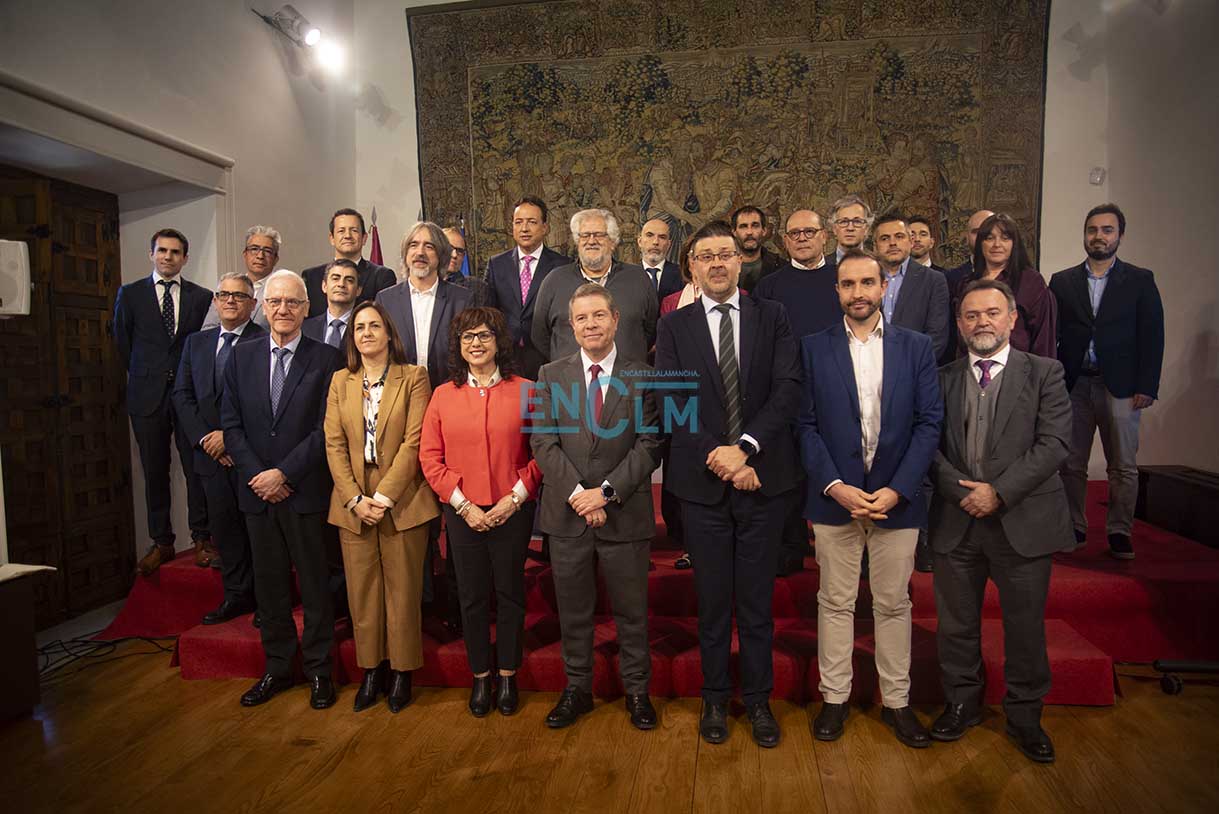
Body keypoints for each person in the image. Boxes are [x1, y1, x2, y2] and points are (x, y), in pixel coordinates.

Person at [655, 220, 802, 748]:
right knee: (713, 602)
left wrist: (745, 449)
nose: (717, 263)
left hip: (763, 479)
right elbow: (671, 399)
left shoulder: (774, 316)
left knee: (757, 603)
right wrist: (718, 456)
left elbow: (788, 389)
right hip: (702, 488)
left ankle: (759, 702)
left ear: (741, 260)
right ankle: (715, 698)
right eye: (705, 256)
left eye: (726, 254)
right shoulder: (674, 325)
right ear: (692, 267)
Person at [798, 249, 942, 749]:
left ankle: (897, 704)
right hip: (834, 497)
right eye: (847, 284)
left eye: (867, 283)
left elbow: (929, 423)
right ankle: (834, 698)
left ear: (883, 287)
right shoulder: (813, 348)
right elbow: (806, 426)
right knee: (834, 603)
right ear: (836, 291)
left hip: (895, 500)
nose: (857, 293)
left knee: (893, 604)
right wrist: (834, 486)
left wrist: (898, 488)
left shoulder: (917, 347)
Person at [928, 279, 1073, 764]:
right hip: (957, 520)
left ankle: (1026, 718)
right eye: (971, 315)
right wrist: (960, 491)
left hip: (1023, 521)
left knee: (1025, 627)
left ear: (1012, 319)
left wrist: (1000, 493)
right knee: (956, 626)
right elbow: (927, 443)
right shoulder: (942, 376)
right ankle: (962, 704)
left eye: (992, 313)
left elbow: (1054, 444)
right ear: (959, 323)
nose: (981, 322)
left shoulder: (1045, 373)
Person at [530, 284, 663, 731]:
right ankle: (577, 689)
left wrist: (604, 493)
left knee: (631, 611)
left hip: (625, 513)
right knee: (574, 611)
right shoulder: (551, 375)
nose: (591, 325)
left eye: (599, 316)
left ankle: (638, 692)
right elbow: (543, 443)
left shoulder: (642, 375)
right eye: (582, 318)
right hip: (567, 516)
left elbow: (650, 444)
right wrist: (580, 496)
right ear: (572, 325)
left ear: (615, 320)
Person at [222, 270, 344, 710]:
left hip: (304, 491)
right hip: (256, 493)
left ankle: (318, 672)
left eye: (292, 302)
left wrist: (284, 474)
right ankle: (276, 666)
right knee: (269, 587)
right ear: (262, 306)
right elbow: (231, 425)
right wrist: (260, 475)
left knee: (314, 586)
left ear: (307, 308)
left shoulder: (327, 358)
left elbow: (324, 429)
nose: (283, 310)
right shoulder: (241, 356)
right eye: (274, 302)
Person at [420, 307, 541, 718]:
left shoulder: (527, 389)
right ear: (458, 345)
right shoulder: (441, 395)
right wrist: (463, 505)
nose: (476, 343)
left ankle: (507, 673)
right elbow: (430, 459)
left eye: (484, 335)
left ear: (498, 341)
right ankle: (481, 676)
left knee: (509, 592)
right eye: (468, 336)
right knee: (471, 596)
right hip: (462, 511)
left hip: (513, 508)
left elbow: (541, 454)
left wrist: (514, 499)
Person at [325, 300, 439, 713]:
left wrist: (384, 497)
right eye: (359, 327)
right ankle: (371, 669)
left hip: (402, 495)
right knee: (362, 591)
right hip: (352, 498)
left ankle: (403, 673)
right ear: (352, 337)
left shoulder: (414, 378)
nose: (367, 333)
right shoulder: (341, 380)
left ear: (390, 333)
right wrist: (355, 497)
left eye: (375, 326)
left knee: (403, 590)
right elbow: (334, 443)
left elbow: (416, 441)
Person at [1049, 203, 1164, 559]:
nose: (1099, 236)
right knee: (1070, 462)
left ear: (1120, 236)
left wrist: (1148, 385)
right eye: (1093, 230)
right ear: (1085, 234)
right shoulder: (1062, 281)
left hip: (1123, 386)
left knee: (1123, 465)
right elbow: (1053, 336)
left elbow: (1152, 334)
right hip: (1075, 385)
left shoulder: (1140, 279)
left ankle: (1119, 530)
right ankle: (1074, 526)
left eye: (1107, 230)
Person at [114, 228, 213, 575]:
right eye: (162, 251)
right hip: (147, 396)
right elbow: (123, 343)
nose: (168, 257)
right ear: (151, 253)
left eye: (175, 252)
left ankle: (202, 538)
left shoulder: (203, 297)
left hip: (188, 396)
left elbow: (203, 345)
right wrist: (149, 375)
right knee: (155, 471)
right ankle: (162, 542)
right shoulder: (130, 294)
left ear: (185, 258)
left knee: (196, 468)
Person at [173, 272, 265, 624]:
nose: (230, 300)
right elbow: (182, 395)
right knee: (224, 531)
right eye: (224, 294)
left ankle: (266, 600)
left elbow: (266, 401)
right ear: (215, 301)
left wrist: (230, 437)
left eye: (239, 296)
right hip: (209, 456)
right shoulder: (197, 343)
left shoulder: (264, 340)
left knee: (257, 534)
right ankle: (237, 596)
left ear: (252, 304)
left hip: (250, 455)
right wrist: (205, 438)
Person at [532, 209, 658, 366]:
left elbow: (651, 330)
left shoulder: (638, 278)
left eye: (599, 235)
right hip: (571, 384)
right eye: (585, 235)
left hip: (627, 383)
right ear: (578, 241)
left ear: (612, 241)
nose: (591, 241)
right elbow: (539, 335)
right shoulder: (554, 280)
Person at [376, 222, 473, 390]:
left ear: (441, 255)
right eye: (413, 245)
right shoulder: (385, 300)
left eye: (429, 246)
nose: (420, 252)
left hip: (449, 394)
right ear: (406, 254)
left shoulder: (462, 300)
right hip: (398, 395)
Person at [484, 197, 570, 378]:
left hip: (547, 357)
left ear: (545, 227)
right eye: (518, 222)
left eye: (532, 222)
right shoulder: (496, 264)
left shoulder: (563, 266)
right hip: (506, 358)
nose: (524, 228)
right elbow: (489, 312)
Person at [954, 213, 1057, 359]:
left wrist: (1039, 376)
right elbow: (960, 336)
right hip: (972, 368)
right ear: (980, 243)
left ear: (1014, 243)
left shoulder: (1031, 282)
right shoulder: (966, 283)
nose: (997, 244)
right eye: (989, 238)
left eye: (1005, 238)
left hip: (1020, 370)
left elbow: (1043, 338)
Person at [752, 209, 840, 340]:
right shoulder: (767, 287)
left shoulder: (845, 279)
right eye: (794, 233)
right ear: (786, 241)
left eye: (810, 232)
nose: (802, 238)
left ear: (824, 237)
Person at [302, 208, 397, 317]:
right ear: (332, 238)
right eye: (341, 231)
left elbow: (385, 321)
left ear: (364, 238)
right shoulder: (311, 277)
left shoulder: (382, 277)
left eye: (354, 230)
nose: (347, 236)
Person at [941, 209, 994, 365]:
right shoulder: (951, 279)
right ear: (966, 236)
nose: (981, 238)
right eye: (976, 232)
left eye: (988, 232)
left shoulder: (1023, 280)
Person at [203, 225, 282, 329]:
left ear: (276, 258)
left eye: (267, 251)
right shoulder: (228, 286)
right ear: (245, 254)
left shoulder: (281, 289)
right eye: (254, 249)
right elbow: (208, 328)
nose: (260, 256)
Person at [303, 259, 360, 348]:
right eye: (335, 278)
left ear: (358, 290)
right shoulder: (304, 328)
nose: (341, 284)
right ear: (324, 286)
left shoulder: (364, 329)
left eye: (349, 280)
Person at [731, 205, 784, 290]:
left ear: (764, 231)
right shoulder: (724, 267)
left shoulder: (780, 268)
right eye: (743, 226)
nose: (749, 232)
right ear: (734, 232)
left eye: (755, 226)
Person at [637, 217, 683, 303]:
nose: (655, 242)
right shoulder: (626, 275)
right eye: (650, 235)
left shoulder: (682, 275)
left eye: (662, 237)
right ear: (640, 242)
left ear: (668, 244)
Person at [442, 226, 490, 305]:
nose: (454, 255)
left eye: (460, 251)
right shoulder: (423, 285)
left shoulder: (478, 288)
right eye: (449, 248)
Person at [829, 194, 873, 264]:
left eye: (857, 221)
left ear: (866, 229)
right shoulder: (821, 266)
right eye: (843, 222)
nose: (850, 228)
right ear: (834, 228)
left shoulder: (879, 265)